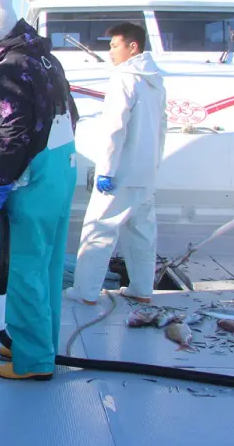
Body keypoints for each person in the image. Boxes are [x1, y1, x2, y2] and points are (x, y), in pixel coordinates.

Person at [0, 0, 78, 381]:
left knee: (24, 268)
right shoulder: (42, 57)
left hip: (32, 179)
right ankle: (36, 342)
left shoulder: (9, 68)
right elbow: (71, 114)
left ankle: (33, 362)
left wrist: (0, 185)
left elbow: (13, 135)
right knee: (46, 265)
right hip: (61, 170)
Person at [68, 23, 166, 306]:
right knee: (142, 231)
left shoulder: (124, 77)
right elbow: (162, 127)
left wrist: (106, 170)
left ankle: (85, 292)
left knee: (100, 229)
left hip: (120, 171)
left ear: (132, 46)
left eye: (114, 45)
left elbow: (114, 128)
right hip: (145, 172)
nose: (109, 51)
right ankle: (142, 288)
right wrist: (154, 165)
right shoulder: (155, 80)